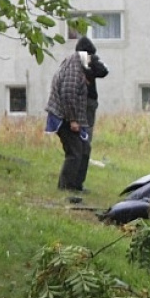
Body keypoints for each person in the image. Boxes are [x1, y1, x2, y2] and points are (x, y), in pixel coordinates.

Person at [46, 47, 91, 193]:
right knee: (75, 152)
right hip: (63, 118)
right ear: (86, 55)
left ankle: (76, 185)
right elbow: (68, 94)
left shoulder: (76, 67)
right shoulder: (73, 68)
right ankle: (66, 187)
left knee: (84, 149)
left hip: (68, 117)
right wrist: (73, 120)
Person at [75, 37, 108, 188]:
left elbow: (102, 72)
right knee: (84, 144)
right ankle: (76, 181)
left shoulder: (81, 62)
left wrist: (92, 63)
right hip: (84, 104)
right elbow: (103, 71)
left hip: (84, 104)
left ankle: (77, 182)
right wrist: (93, 62)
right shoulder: (79, 62)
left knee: (83, 143)